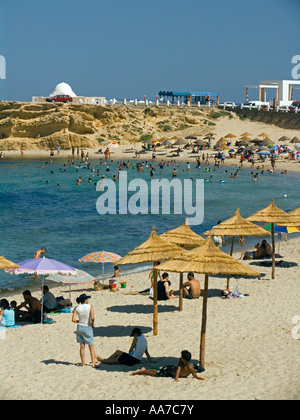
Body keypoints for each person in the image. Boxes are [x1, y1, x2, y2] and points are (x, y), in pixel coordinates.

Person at [131, 350, 204, 382]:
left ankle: (143, 370)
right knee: (155, 373)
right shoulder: (182, 363)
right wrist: (176, 378)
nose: (180, 357)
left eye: (182, 357)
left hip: (170, 370)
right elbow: (178, 370)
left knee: (156, 371)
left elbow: (194, 374)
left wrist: (198, 377)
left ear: (184, 359)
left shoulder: (189, 367)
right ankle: (139, 372)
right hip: (169, 371)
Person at [72, 294, 95, 367]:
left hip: (79, 327)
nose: (88, 300)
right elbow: (93, 317)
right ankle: (93, 363)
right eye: (87, 299)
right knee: (91, 346)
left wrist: (78, 321)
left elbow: (73, 319)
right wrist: (93, 323)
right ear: (85, 300)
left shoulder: (77, 307)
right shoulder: (90, 306)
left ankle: (83, 363)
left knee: (82, 346)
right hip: (87, 326)